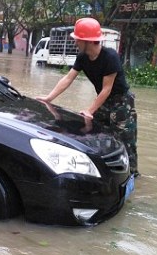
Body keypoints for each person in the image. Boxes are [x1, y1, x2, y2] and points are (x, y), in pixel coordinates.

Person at [36, 17, 139, 177]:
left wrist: (90, 110)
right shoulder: (82, 57)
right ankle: (104, 171)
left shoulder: (110, 57)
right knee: (94, 134)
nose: (75, 42)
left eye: (77, 39)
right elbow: (68, 78)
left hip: (122, 102)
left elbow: (107, 89)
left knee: (126, 142)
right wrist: (49, 98)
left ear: (88, 41)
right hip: (103, 102)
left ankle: (132, 175)